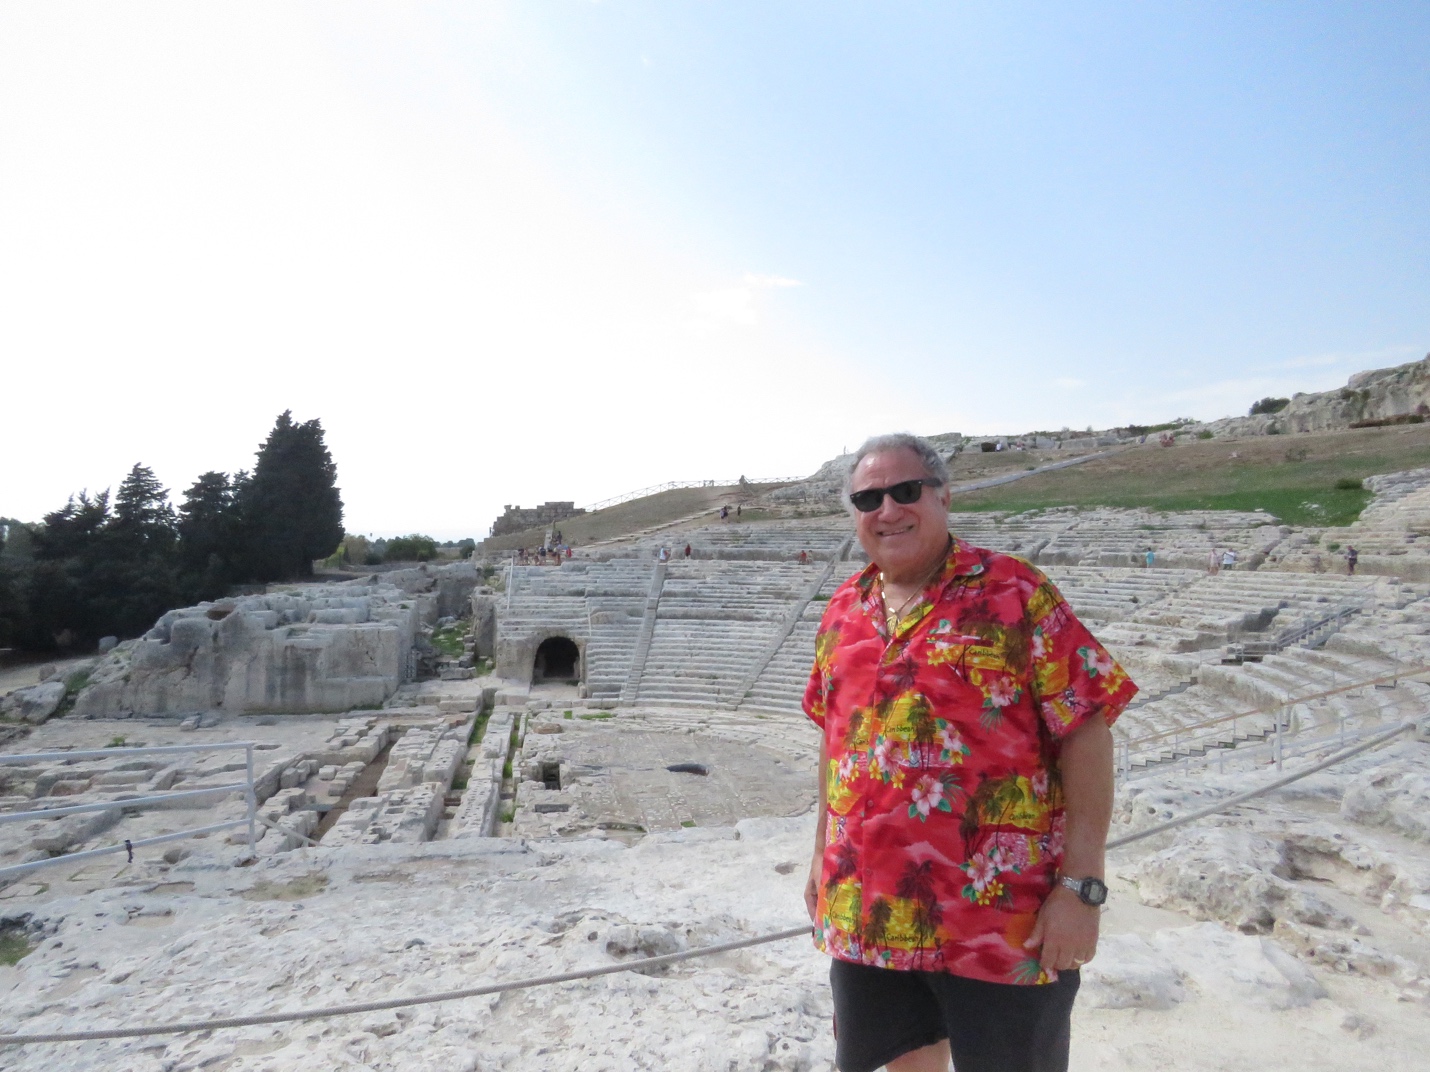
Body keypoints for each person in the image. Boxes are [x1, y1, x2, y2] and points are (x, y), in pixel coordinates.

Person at [804, 433, 1136, 1072]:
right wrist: (822, 852)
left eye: (906, 490)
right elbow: (834, 736)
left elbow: (1086, 728)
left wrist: (1081, 887)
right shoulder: (843, 609)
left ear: (944, 497)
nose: (887, 510)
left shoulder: (1015, 591)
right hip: (867, 910)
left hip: (1001, 920)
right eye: (868, 498)